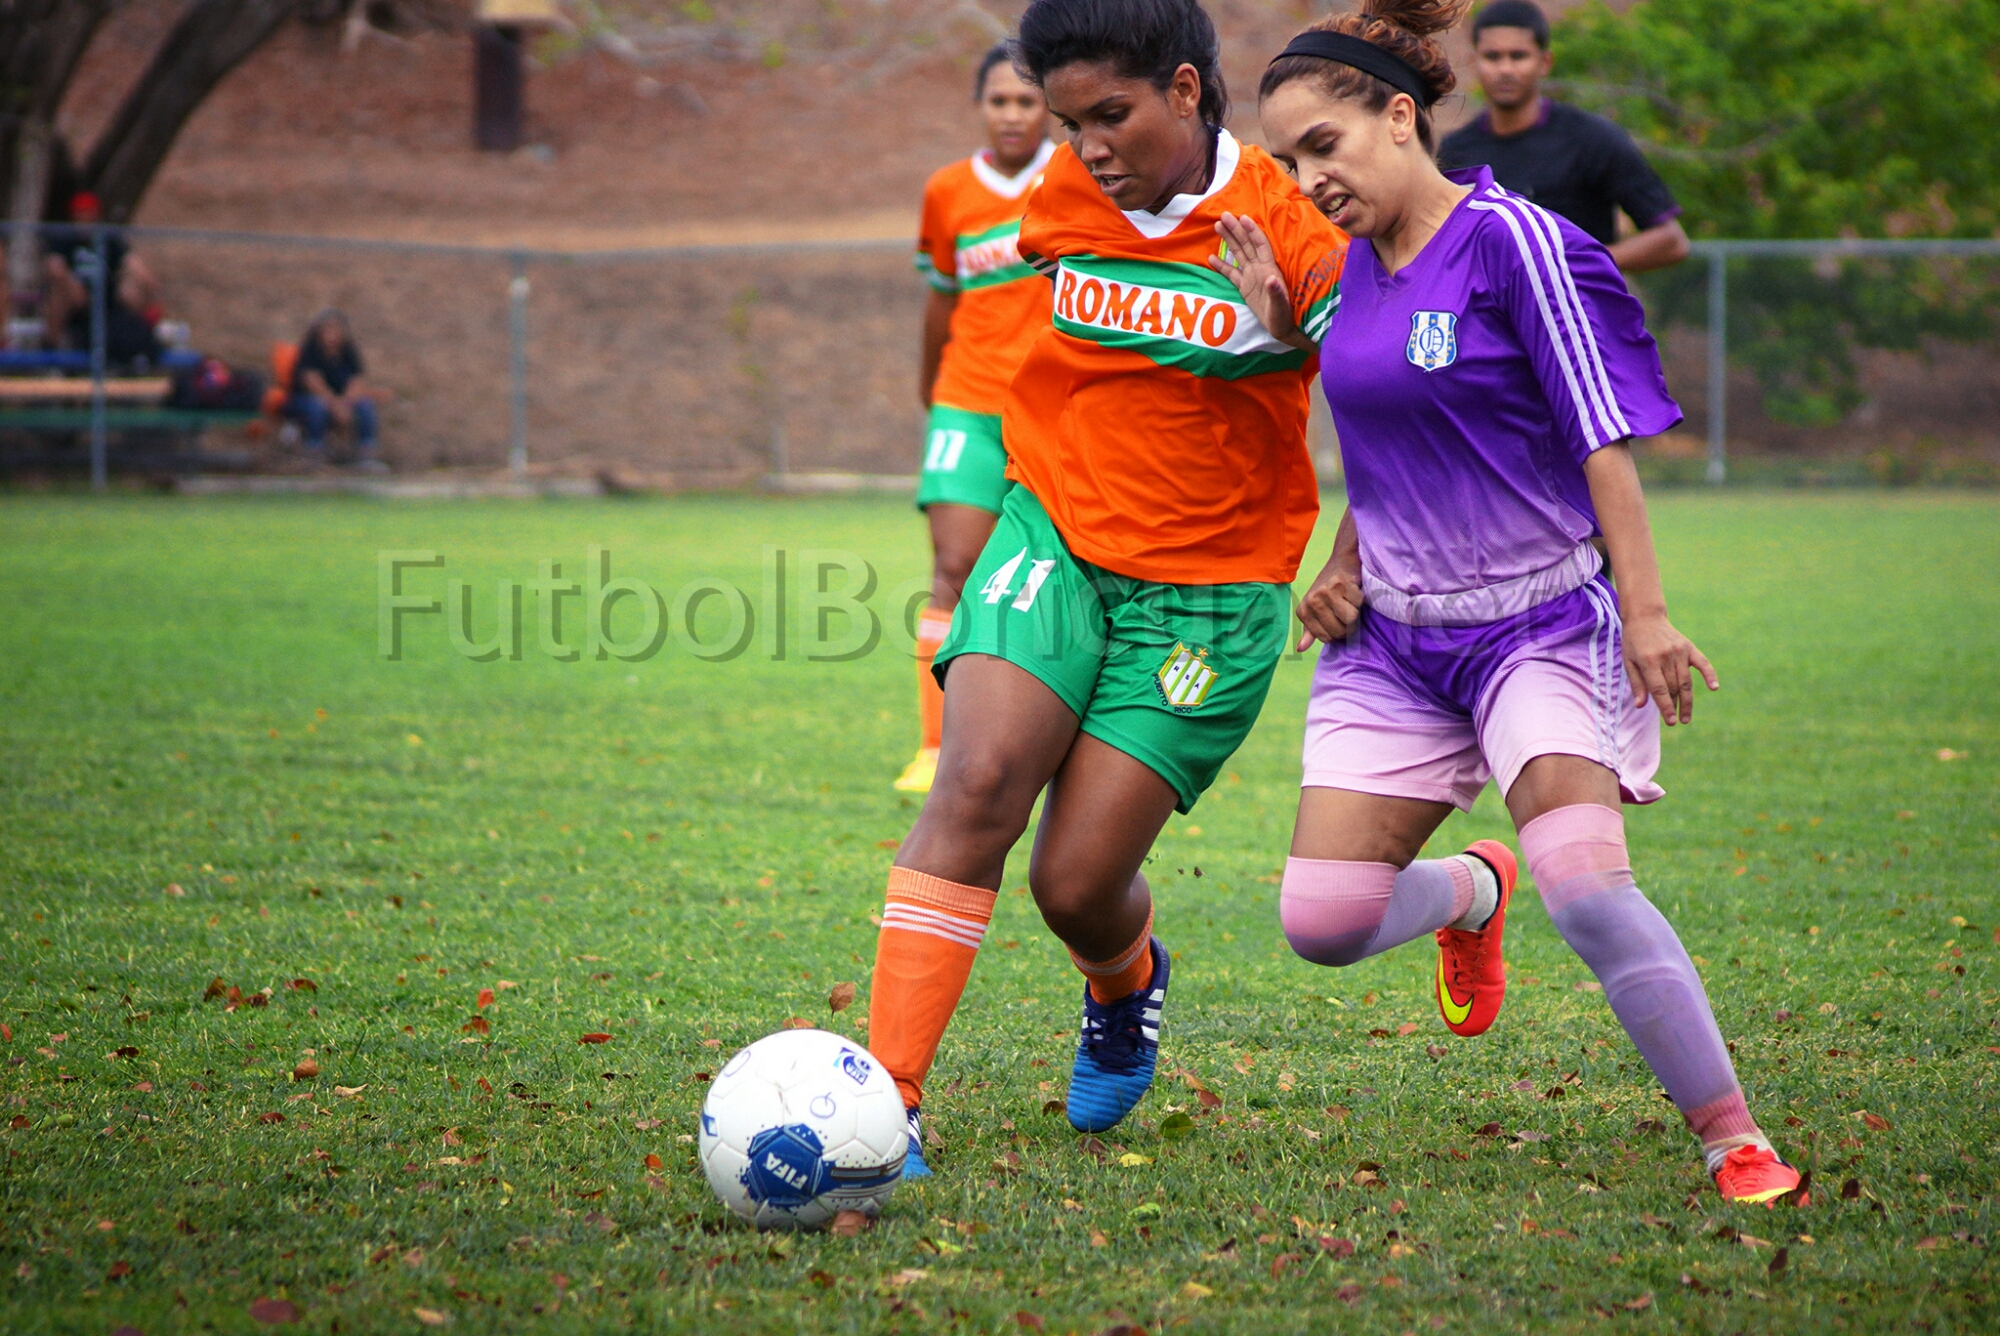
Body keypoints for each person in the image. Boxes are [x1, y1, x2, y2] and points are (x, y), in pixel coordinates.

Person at [1228, 0, 1801, 1205]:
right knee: (1323, 921)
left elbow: (1602, 442)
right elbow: (1393, 441)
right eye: (1287, 161)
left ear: (1398, 116)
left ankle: (1729, 1134)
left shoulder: (1513, 243)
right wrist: (1340, 562)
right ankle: (1470, 890)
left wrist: (1643, 615)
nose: (1306, 178)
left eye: (1322, 146)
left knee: (1589, 890)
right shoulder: (1344, 277)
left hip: (1537, 623)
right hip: (1392, 641)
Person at [864, 0, 1346, 1176]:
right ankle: (883, 1106)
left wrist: (1288, 338)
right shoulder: (1067, 199)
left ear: (1186, 91)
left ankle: (1124, 981)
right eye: (1071, 122)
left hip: (1206, 595)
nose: (1086, 149)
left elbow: (1384, 397)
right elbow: (1008, 314)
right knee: (974, 779)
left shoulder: (1291, 225)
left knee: (1073, 882)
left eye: (1110, 117)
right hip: (1057, 540)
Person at [897, 46, 1058, 795]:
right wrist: (932, 390)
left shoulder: (1076, 181)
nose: (1014, 114)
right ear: (981, 107)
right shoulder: (948, 191)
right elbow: (940, 300)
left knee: (1047, 577)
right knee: (955, 569)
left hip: (1056, 411)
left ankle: (1040, 739)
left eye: (1027, 101)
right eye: (1000, 101)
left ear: (1049, 108)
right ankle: (935, 748)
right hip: (968, 400)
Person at [1438, 0, 1689, 274]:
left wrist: (1574, 264)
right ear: (1474, 62)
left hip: (1578, 310)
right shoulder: (1456, 152)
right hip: (1493, 314)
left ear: (1545, 62)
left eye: (1518, 56)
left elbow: (1671, 241)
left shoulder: (1591, 139)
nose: (1505, 69)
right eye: (1493, 57)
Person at [40, 191, 164, 365]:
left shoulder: (110, 241)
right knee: (61, 290)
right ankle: (50, 347)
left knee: (134, 286)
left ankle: (144, 335)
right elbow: (53, 267)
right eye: (80, 214)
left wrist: (144, 280)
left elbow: (133, 264)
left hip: (107, 304)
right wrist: (72, 284)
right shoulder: (64, 239)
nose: (84, 219)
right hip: (76, 305)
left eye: (89, 213)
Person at [290, 309, 385, 472]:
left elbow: (356, 380)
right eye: (328, 329)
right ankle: (314, 450)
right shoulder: (310, 352)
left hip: (341, 400)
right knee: (317, 407)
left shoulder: (348, 352)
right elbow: (313, 382)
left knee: (365, 405)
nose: (332, 334)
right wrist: (335, 405)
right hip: (310, 399)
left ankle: (367, 453)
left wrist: (346, 403)